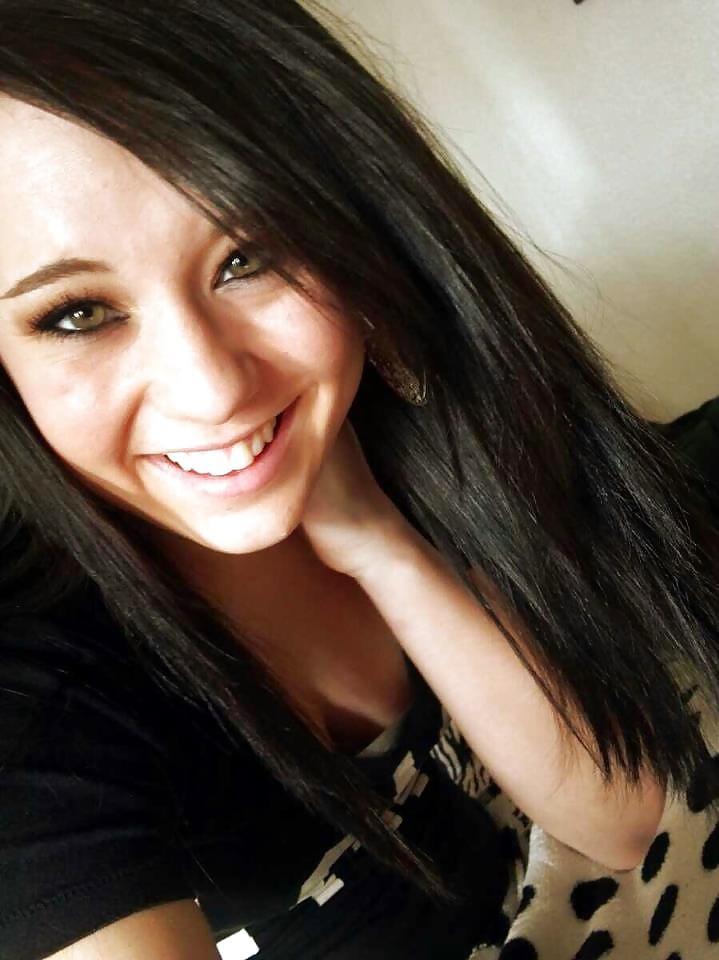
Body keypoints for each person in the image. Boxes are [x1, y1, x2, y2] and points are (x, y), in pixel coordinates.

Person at [0, 2, 717, 958]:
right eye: (78, 314)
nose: (212, 389)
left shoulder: (407, 436)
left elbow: (617, 817)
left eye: (247, 258)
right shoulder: (37, 704)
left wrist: (376, 540)